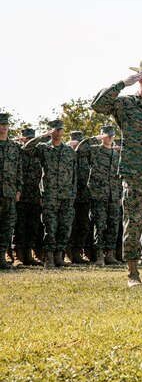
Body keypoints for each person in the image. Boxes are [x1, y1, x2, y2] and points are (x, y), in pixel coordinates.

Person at [92, 56, 142, 287]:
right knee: (134, 222)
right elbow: (97, 105)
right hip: (135, 174)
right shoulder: (126, 104)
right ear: (140, 77)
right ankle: (132, 273)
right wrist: (121, 84)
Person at [23, 119, 76, 268]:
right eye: (56, 129)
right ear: (51, 131)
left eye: (61, 129)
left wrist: (73, 193)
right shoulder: (44, 148)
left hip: (66, 195)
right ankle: (49, 258)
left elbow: (74, 173)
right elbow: (26, 149)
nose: (59, 132)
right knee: (50, 227)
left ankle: (59, 256)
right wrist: (43, 135)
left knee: (65, 227)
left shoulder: (69, 151)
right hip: (50, 194)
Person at [76, 126, 122, 266]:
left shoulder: (116, 155)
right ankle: (99, 255)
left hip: (113, 195)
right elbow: (80, 150)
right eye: (106, 135)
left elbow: (119, 177)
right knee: (99, 225)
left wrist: (120, 195)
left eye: (111, 136)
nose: (109, 138)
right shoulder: (95, 150)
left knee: (113, 225)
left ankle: (110, 254)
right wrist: (96, 138)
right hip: (98, 194)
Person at [12, 127, 42, 266]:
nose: (30, 141)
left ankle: (29, 255)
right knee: (19, 226)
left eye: (32, 138)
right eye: (28, 138)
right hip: (20, 196)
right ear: (22, 139)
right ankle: (17, 256)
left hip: (34, 195)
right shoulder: (18, 151)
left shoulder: (38, 153)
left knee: (32, 226)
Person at [0, 112, 23, 269]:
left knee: (7, 226)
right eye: (2, 124)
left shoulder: (14, 147)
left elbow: (18, 169)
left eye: (6, 124)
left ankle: (1, 257)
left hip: (9, 192)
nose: (5, 126)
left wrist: (18, 189)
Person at [67, 130, 91, 264]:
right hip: (70, 196)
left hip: (84, 196)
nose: (77, 145)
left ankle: (78, 253)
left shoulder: (86, 157)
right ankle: (68, 253)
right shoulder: (67, 155)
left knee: (83, 226)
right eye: (75, 143)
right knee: (70, 225)